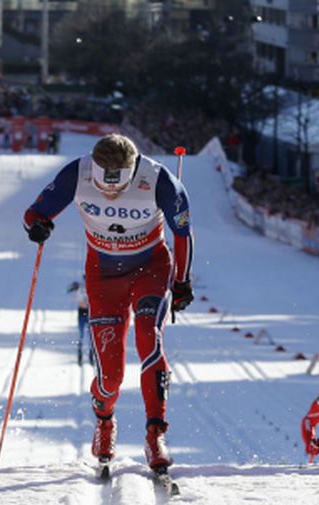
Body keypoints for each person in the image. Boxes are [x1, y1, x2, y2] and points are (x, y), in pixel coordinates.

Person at [22, 134, 194, 472]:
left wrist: (182, 281)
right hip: (103, 275)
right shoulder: (78, 172)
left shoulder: (159, 180)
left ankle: (155, 434)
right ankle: (104, 421)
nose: (111, 193)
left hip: (151, 269)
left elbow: (183, 233)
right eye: (104, 188)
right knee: (111, 374)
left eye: (118, 187)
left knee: (149, 338)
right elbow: (34, 212)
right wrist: (37, 226)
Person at [67, 278, 94, 366]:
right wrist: (74, 287)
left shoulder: (93, 286)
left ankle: (91, 356)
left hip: (90, 312)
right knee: (81, 334)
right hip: (82, 312)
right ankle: (80, 355)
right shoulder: (80, 286)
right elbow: (69, 289)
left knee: (91, 335)